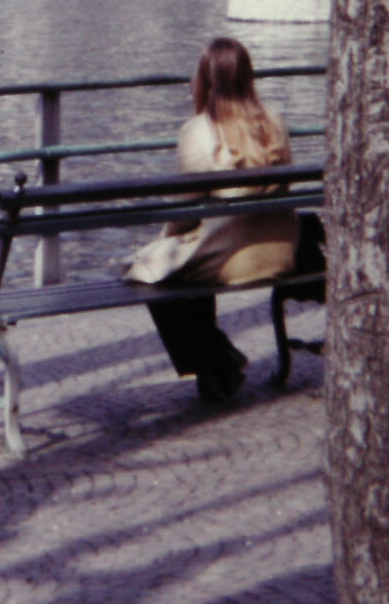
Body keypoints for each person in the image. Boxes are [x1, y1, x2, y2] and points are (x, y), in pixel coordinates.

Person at [125, 37, 297, 400]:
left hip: (234, 258)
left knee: (155, 273)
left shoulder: (198, 131)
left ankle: (217, 360)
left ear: (204, 80)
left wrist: (160, 242)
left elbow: (183, 213)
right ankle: (218, 360)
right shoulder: (276, 121)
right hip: (281, 251)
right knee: (186, 260)